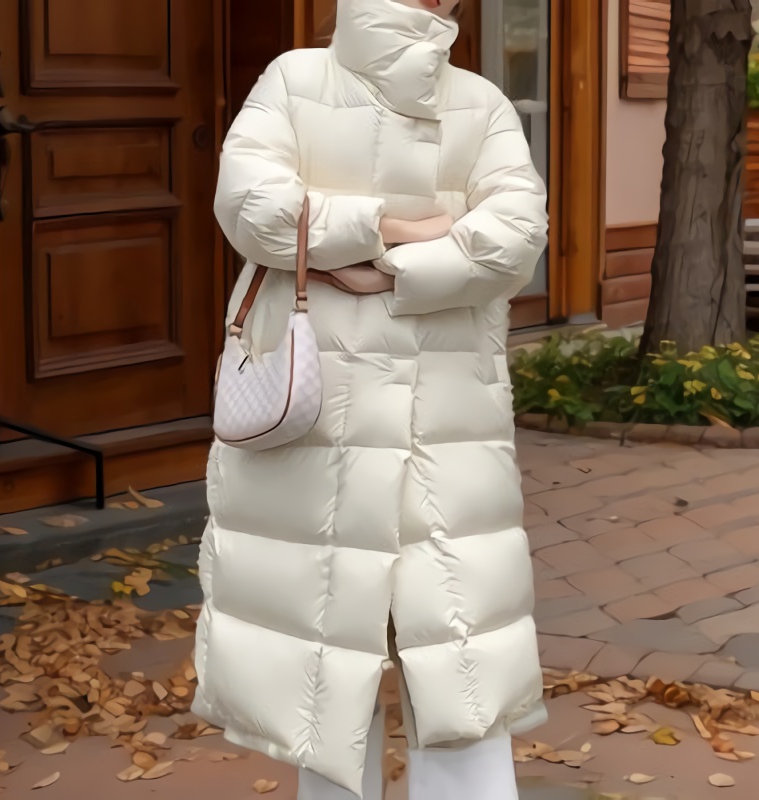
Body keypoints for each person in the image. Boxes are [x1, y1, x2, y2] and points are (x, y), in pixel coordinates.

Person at [193, 0, 548, 798]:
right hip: (320, 419)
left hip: (445, 425)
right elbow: (251, 207)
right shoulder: (295, 80)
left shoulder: (480, 103)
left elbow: (518, 236)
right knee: (325, 676)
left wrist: (376, 270)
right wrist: (397, 224)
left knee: (460, 670)